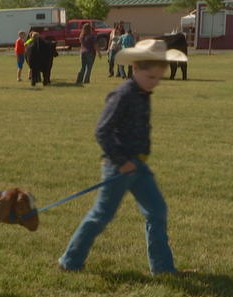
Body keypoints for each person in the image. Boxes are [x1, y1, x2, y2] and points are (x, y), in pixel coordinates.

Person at [58, 39, 193, 276]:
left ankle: (162, 268)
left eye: (158, 79)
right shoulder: (122, 94)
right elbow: (102, 130)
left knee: (157, 211)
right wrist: (122, 161)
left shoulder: (142, 93)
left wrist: (135, 161)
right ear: (135, 69)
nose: (155, 84)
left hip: (138, 166)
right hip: (118, 167)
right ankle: (70, 260)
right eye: (151, 78)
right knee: (100, 216)